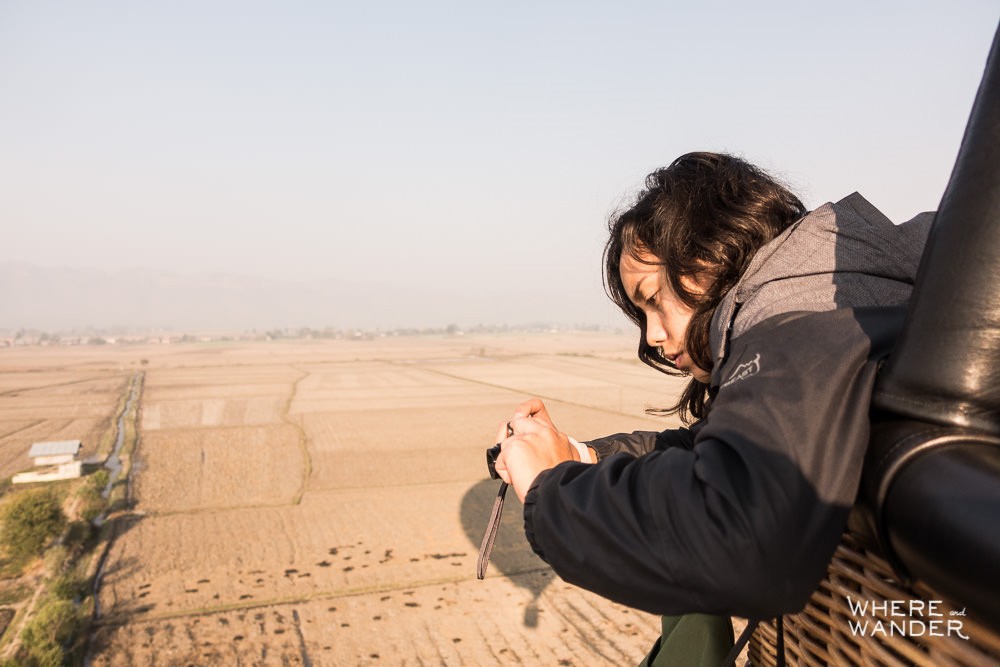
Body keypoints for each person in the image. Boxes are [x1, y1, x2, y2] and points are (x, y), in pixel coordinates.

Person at [491, 152, 932, 665]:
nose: (652, 336)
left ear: (710, 253)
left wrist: (553, 491)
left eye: (653, 298)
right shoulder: (820, 291)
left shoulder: (795, 316)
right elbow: (716, 447)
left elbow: (739, 534)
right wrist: (580, 456)